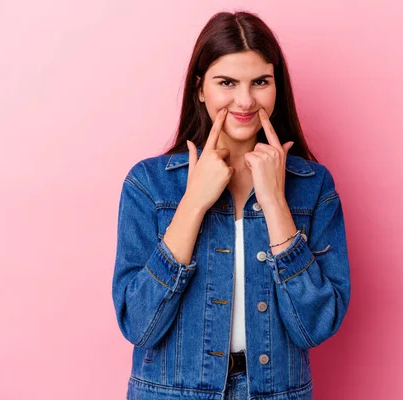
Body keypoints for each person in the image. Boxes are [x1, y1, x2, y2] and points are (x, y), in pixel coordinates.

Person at [112, 10, 351, 400]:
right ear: (200, 88)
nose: (245, 100)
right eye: (227, 82)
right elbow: (139, 325)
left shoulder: (313, 186)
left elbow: (316, 325)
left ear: (277, 86)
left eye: (260, 82)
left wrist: (275, 202)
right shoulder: (149, 184)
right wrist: (193, 203)